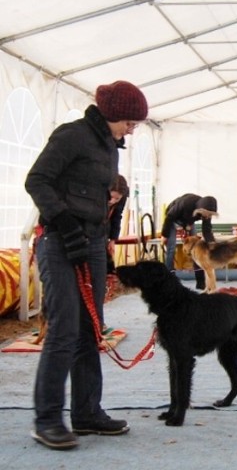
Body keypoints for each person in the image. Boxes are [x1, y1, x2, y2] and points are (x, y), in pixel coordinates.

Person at [24, 80, 148, 450]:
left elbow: (106, 195)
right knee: (62, 328)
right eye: (129, 121)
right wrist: (64, 223)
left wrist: (105, 239)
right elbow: (37, 180)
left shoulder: (111, 146)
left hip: (92, 243)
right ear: (111, 113)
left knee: (90, 330)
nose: (132, 128)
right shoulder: (71, 136)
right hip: (60, 240)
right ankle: (47, 419)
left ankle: (87, 413)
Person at [160, 193, 218, 289]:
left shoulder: (207, 211)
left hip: (188, 221)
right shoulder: (186, 203)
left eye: (210, 215)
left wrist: (211, 245)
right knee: (171, 248)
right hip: (172, 219)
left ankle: (200, 282)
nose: (207, 217)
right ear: (201, 209)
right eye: (206, 214)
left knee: (197, 247)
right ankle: (170, 281)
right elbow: (170, 216)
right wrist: (164, 235)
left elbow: (207, 230)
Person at [106, 174, 129, 275]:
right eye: (111, 197)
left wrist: (113, 239)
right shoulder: (97, 194)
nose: (112, 201)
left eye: (117, 199)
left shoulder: (123, 197)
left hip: (106, 227)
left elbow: (117, 216)